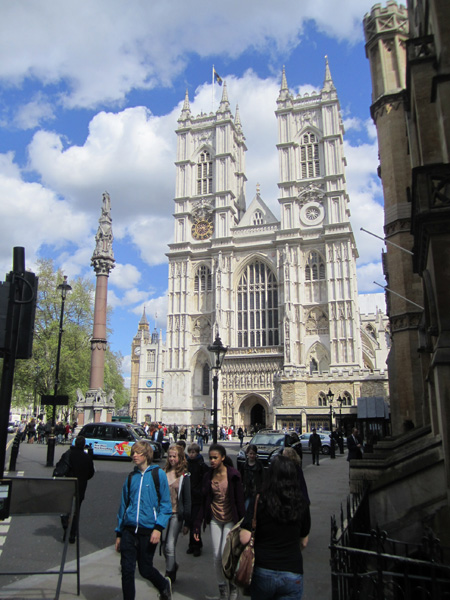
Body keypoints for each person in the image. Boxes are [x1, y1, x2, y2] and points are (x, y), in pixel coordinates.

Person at [239, 455, 311, 600]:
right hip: (292, 569)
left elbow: (244, 537)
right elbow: (303, 541)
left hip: (263, 569)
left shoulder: (259, 500)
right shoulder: (301, 503)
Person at [115, 441, 173, 600]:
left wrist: (158, 528)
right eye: (133, 452)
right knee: (127, 570)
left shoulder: (158, 474)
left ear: (146, 455)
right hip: (129, 529)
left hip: (148, 529)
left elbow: (166, 505)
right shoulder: (130, 477)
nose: (134, 455)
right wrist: (119, 533)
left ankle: (163, 585)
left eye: (138, 452)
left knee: (145, 569)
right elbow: (123, 506)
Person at [193, 443, 245, 600]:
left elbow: (240, 502)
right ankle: (223, 590)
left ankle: (233, 586)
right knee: (216, 555)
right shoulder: (208, 476)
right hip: (215, 518)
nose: (212, 461)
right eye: (210, 458)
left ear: (223, 458)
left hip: (231, 519)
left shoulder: (234, 475)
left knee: (226, 554)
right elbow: (204, 502)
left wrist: (244, 525)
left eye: (215, 458)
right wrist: (197, 525)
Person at [162, 444, 191, 584]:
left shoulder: (185, 475)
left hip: (176, 514)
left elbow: (187, 500)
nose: (172, 459)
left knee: (169, 545)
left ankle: (169, 575)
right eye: (170, 456)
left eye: (174, 456)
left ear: (180, 458)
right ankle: (172, 565)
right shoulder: (163, 472)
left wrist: (187, 522)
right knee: (163, 545)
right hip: (163, 514)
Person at [58, 435, 95, 543]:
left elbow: (61, 469)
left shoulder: (68, 454)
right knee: (76, 511)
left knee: (65, 509)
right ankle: (72, 534)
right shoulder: (87, 457)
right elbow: (91, 473)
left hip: (68, 486)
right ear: (84, 445)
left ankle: (66, 528)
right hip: (81, 487)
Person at [186, 442, 210, 557]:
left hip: (198, 497)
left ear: (197, 453)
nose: (191, 455)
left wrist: (201, 491)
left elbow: (206, 479)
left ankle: (197, 546)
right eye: (190, 452)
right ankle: (192, 544)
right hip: (188, 497)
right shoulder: (186, 464)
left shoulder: (201, 465)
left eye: (193, 452)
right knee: (190, 522)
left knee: (196, 523)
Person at [240, 444, 264, 509]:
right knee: (246, 508)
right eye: (250, 454)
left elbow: (262, 478)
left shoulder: (259, 465)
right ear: (247, 454)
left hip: (256, 491)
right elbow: (241, 478)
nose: (252, 456)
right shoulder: (244, 465)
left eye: (253, 454)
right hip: (246, 491)